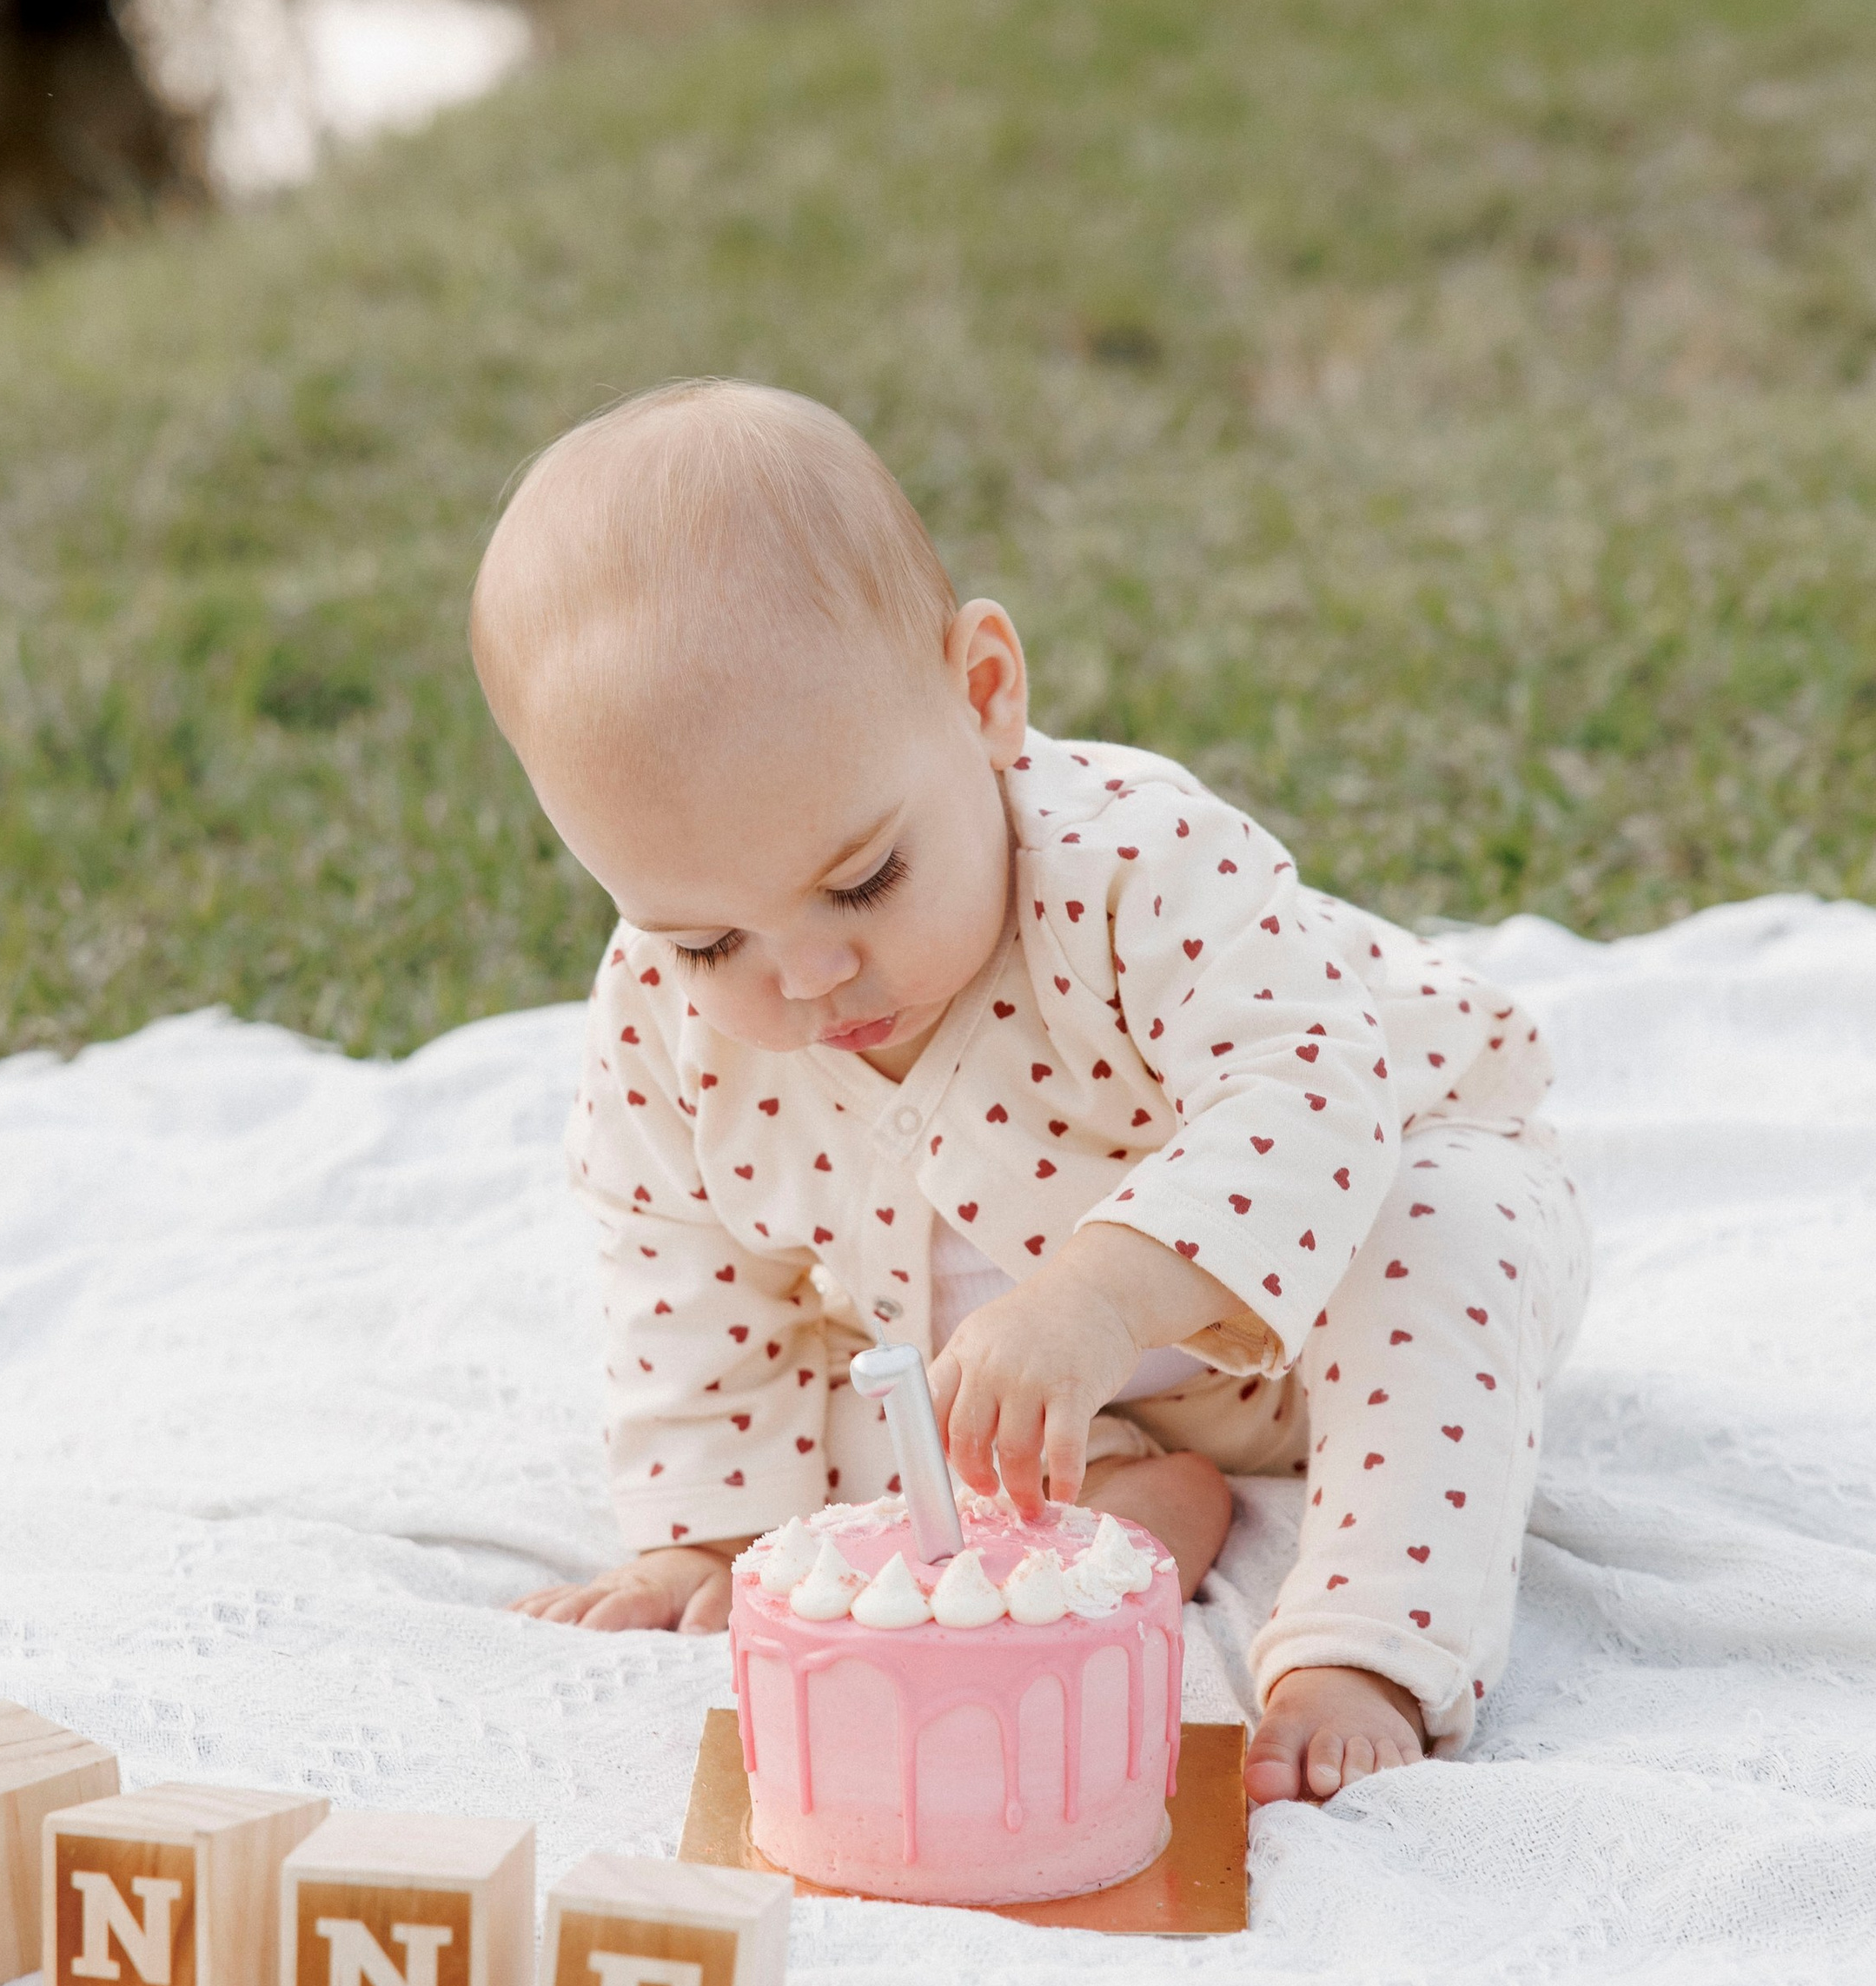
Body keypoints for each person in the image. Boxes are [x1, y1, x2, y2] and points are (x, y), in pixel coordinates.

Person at [471, 380, 1589, 1807]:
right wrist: (707, 1535)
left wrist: (1101, 1301)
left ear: (985, 695)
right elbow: (681, 1271)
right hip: (1036, 1375)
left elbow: (1309, 1090)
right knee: (853, 1410)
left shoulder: (1137, 864)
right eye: (707, 939)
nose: (807, 975)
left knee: (1448, 1234)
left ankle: (1365, 1645)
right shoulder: (661, 1022)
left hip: (1331, 1268)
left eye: (863, 878)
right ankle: (1118, 1495)